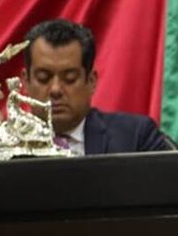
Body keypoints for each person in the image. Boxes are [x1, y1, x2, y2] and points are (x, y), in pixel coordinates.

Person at [22, 18, 175, 155]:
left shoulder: (136, 138)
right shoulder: (1, 143)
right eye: (43, 78)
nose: (55, 89)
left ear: (91, 81)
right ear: (26, 81)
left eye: (69, 79)